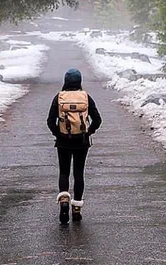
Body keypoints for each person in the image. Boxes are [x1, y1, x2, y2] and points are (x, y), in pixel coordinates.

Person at [47, 68, 102, 224]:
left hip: (63, 141)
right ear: (80, 81)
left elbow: (50, 121)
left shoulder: (59, 97)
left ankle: (64, 200)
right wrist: (89, 132)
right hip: (81, 141)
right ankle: (76, 209)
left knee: (64, 172)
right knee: (78, 173)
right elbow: (97, 119)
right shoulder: (86, 97)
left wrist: (58, 134)